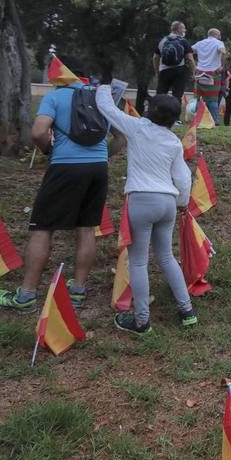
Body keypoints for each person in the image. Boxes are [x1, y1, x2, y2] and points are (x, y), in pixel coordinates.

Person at [0, 71, 108, 313]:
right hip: (98, 168)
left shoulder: (55, 97)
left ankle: (26, 296)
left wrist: (47, 149)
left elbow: (38, 132)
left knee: (42, 228)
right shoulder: (99, 96)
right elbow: (119, 137)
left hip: (64, 167)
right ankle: (78, 292)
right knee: (86, 228)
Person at [93, 84, 197, 335]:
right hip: (168, 203)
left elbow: (106, 108)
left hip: (141, 200)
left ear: (150, 111)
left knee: (138, 263)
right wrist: (183, 203)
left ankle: (142, 321)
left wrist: (104, 88)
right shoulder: (173, 141)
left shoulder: (137, 128)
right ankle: (187, 311)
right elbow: (183, 178)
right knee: (166, 257)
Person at [191, 28, 227, 123]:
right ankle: (214, 121)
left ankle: (197, 120)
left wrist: (194, 66)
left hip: (200, 72)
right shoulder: (218, 43)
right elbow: (223, 52)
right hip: (213, 73)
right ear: (217, 35)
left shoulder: (199, 43)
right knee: (213, 99)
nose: (220, 37)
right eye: (219, 35)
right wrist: (222, 66)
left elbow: (189, 52)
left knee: (198, 98)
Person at [153, 21, 193, 103]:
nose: (185, 30)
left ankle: (158, 114)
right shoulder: (183, 41)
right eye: (184, 28)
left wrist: (157, 72)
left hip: (164, 70)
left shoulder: (162, 40)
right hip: (180, 70)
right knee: (177, 96)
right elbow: (190, 58)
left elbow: (155, 57)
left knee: (160, 94)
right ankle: (174, 114)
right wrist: (193, 72)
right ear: (179, 29)